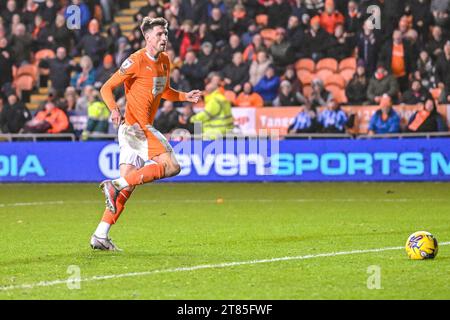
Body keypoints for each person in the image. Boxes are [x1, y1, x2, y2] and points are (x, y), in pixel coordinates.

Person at [91, 17, 201, 251]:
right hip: (136, 128)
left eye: (166, 33)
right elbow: (106, 87)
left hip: (135, 130)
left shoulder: (164, 61)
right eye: (160, 33)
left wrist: (184, 96)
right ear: (147, 37)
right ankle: (115, 184)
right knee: (172, 166)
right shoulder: (135, 61)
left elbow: (164, 91)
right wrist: (114, 109)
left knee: (128, 187)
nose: (165, 37)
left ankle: (100, 234)